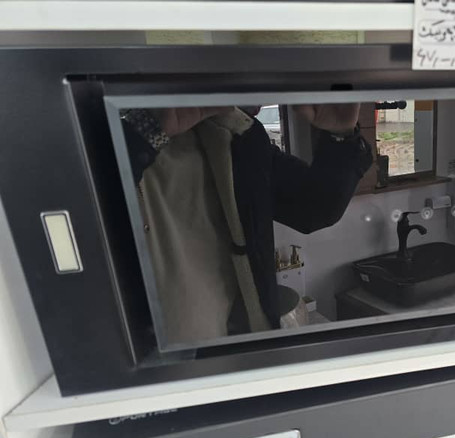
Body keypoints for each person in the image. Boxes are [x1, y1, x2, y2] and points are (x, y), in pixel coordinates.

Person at [121, 104, 372, 344]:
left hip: (237, 348)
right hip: (146, 363)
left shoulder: (237, 134)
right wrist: (146, 130)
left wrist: (341, 136)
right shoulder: (113, 138)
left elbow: (314, 207)